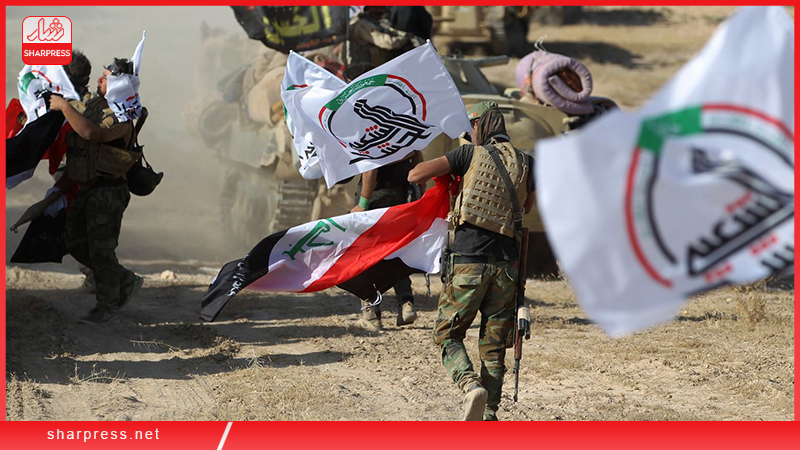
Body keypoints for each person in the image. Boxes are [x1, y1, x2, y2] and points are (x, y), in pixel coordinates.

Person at [407, 102, 535, 421]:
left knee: (447, 334)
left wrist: (453, 173)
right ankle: (489, 412)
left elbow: (416, 174)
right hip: (507, 267)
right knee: (494, 345)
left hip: (469, 262)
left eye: (470, 128)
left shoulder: (468, 154)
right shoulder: (527, 162)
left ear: (478, 126)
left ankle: (469, 385)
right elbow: (527, 207)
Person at [48, 57, 144, 324]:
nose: (99, 80)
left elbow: (92, 134)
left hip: (108, 191)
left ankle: (107, 305)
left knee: (102, 251)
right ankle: (124, 279)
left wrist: (64, 107)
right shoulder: (94, 105)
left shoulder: (122, 115)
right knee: (75, 242)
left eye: (105, 78)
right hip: (88, 186)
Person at [342, 63, 421, 332]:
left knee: (367, 255)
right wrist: (417, 191)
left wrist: (362, 203)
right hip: (400, 195)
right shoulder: (397, 109)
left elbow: (370, 165)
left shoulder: (365, 116)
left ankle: (371, 313)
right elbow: (416, 154)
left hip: (375, 197)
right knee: (396, 251)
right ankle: (406, 304)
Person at [347, 6, 421, 67]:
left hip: (376, 67)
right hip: (364, 69)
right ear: (367, 8)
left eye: (381, 8)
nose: (379, 11)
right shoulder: (362, 24)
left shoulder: (377, 22)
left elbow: (392, 31)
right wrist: (405, 38)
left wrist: (407, 36)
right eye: (375, 7)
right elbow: (388, 43)